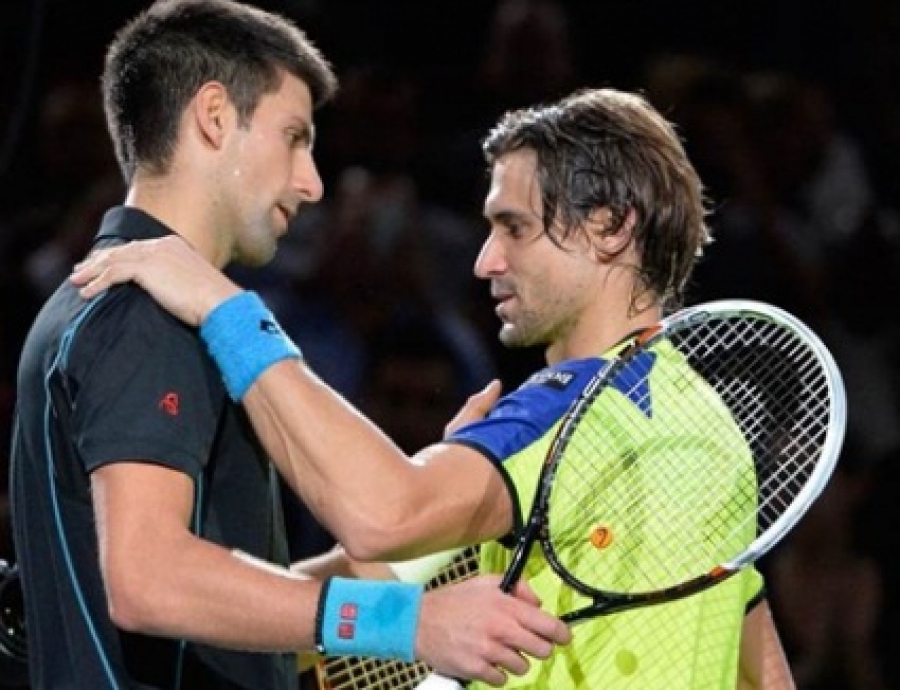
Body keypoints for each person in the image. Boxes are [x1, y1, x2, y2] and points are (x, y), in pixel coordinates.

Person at [70, 88, 795, 687]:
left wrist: (225, 310)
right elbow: (763, 670)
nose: (485, 261)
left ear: (608, 227)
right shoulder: (713, 429)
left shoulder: (565, 414)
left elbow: (381, 516)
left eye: (514, 228)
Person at [8, 1, 571, 688]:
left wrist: (418, 526)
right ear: (214, 117)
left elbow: (224, 609)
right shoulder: (140, 313)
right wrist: (408, 622)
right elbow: (148, 579)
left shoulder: (134, 304)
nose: (313, 181)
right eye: (295, 138)